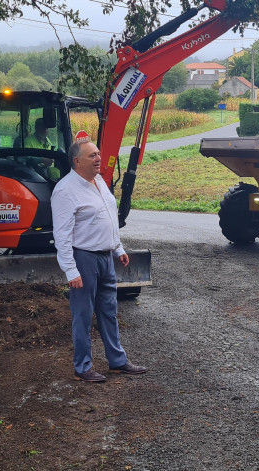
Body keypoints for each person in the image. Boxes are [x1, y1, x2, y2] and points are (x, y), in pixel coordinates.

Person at [51, 139, 148, 382]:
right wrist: (71, 270)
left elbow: (108, 217)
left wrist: (118, 248)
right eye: (92, 155)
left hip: (105, 258)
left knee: (109, 311)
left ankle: (117, 361)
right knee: (83, 314)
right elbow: (61, 235)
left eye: (98, 154)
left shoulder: (99, 182)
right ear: (76, 162)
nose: (98, 159)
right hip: (84, 259)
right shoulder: (65, 190)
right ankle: (82, 367)